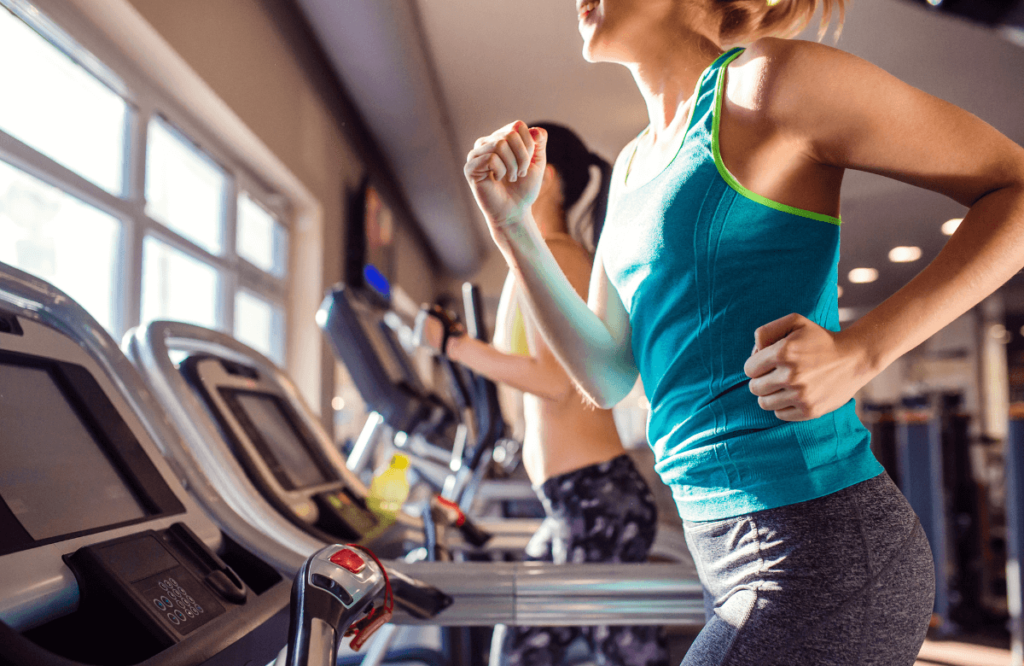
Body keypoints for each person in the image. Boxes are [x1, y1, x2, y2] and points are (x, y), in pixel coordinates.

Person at [460, 1, 1024, 664]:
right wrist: (514, 231)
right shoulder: (636, 164)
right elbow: (608, 374)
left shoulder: (771, 82)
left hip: (820, 548)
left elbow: (1012, 188)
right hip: (720, 551)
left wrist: (862, 350)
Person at [417, 122, 669, 666]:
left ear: (544, 174)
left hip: (596, 495)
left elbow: (556, 381)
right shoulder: (537, 256)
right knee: (521, 650)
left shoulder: (561, 257)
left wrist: (455, 346)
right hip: (573, 499)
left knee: (621, 653)